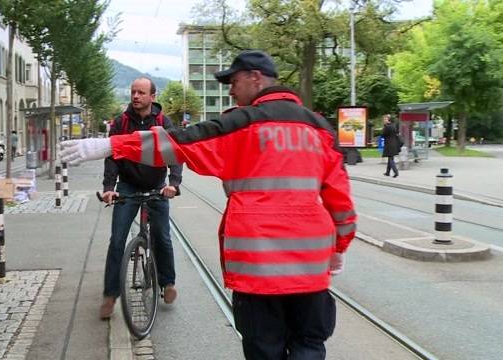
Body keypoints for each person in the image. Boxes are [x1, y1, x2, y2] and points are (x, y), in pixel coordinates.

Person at [59, 50, 356, 359]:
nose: (230, 89)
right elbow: (342, 201)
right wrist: (340, 246)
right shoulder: (321, 129)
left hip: (258, 267)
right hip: (311, 267)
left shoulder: (241, 124)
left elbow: (178, 143)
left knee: (265, 348)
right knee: (309, 345)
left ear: (256, 79)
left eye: (234, 81)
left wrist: (110, 145)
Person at [98, 77, 183, 319]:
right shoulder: (121, 123)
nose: (136, 96)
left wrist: (174, 185)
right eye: (133, 92)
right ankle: (111, 295)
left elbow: (175, 156)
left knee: (163, 238)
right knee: (117, 240)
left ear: (152, 97)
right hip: (127, 187)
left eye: (141, 93)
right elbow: (112, 156)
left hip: (157, 186)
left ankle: (168, 283)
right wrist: (108, 187)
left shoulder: (162, 123)